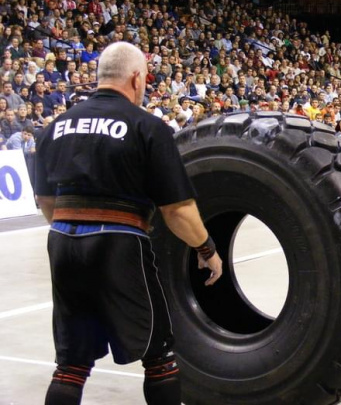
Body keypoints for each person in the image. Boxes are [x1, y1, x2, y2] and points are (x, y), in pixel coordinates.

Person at [34, 42, 223, 405]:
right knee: (160, 356)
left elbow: (46, 201)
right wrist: (206, 249)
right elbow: (177, 210)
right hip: (119, 244)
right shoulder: (147, 127)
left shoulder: (54, 128)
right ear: (137, 77)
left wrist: (75, 231)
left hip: (61, 241)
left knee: (72, 363)